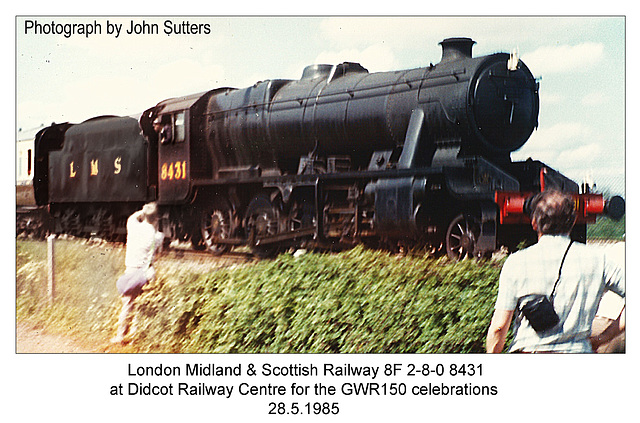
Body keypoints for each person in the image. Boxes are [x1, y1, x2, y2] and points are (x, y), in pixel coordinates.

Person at [486, 190, 625, 353]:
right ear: (573, 222)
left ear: (534, 223)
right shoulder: (599, 259)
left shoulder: (516, 262)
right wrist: (606, 336)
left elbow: (499, 328)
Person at [110, 202, 164, 344]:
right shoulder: (157, 236)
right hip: (146, 275)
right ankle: (135, 337)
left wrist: (143, 211)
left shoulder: (132, 226)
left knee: (127, 304)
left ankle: (120, 336)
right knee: (142, 306)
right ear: (156, 218)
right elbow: (157, 254)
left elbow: (133, 217)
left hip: (131, 272)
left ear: (144, 215)